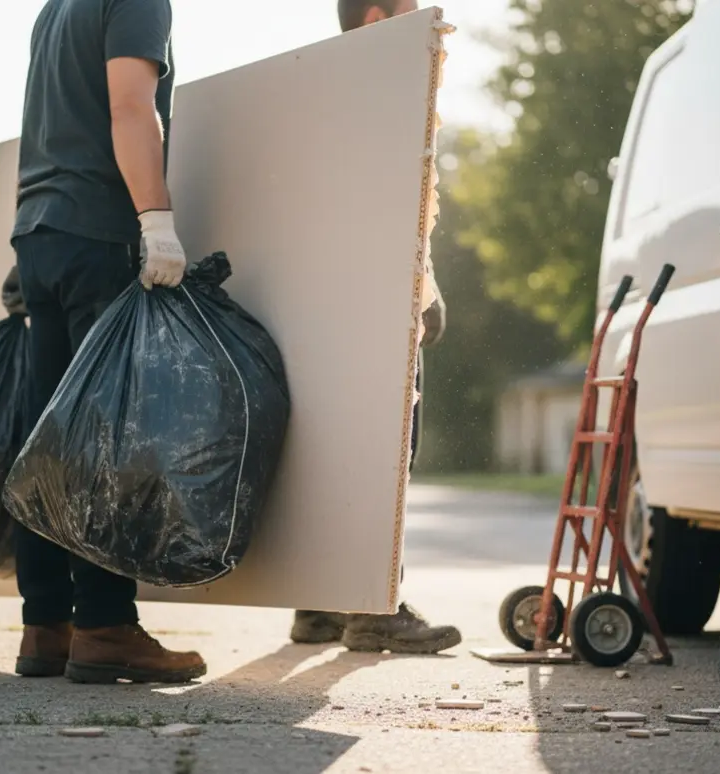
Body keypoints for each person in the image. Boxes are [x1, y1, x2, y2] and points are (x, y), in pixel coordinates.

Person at [9, 0, 205, 685]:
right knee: (103, 433)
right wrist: (156, 220)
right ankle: (105, 626)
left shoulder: (55, 9)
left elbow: (43, 129)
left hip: (41, 230)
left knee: (48, 434)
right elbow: (130, 106)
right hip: (96, 231)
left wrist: (35, 232)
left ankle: (47, 626)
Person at [289, 0, 460, 655]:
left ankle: (319, 605)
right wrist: (418, 292)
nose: (423, 20)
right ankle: (373, 609)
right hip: (373, 300)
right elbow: (395, 202)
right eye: (412, 9)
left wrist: (429, 285)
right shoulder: (379, 88)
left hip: (331, 303)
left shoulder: (321, 88)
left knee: (336, 449)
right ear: (376, 18)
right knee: (389, 451)